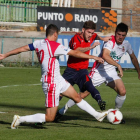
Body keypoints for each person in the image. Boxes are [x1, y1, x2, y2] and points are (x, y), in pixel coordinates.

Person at [0, 24, 111, 129]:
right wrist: (93, 57)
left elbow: (22, 49)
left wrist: (5, 54)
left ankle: (97, 115)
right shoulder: (55, 46)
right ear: (55, 34)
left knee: (76, 97)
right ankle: (19, 119)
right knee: (50, 117)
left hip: (58, 80)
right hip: (51, 83)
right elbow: (75, 53)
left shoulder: (38, 43)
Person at [56, 22, 140, 123]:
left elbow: (133, 58)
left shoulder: (126, 45)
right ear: (115, 33)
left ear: (125, 35)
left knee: (122, 91)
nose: (120, 37)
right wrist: (118, 65)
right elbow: (105, 55)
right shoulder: (109, 42)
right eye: (118, 34)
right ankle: (61, 112)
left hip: (111, 72)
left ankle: (116, 114)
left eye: (123, 35)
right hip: (98, 72)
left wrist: (139, 71)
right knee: (81, 95)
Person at [58, 20, 112, 111]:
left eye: (92, 32)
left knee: (89, 85)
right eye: (88, 32)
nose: (90, 35)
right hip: (70, 70)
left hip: (82, 71)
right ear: (83, 30)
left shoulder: (92, 36)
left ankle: (100, 101)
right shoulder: (75, 38)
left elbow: (96, 36)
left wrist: (103, 39)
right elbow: (77, 51)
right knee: (59, 92)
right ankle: (48, 114)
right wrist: (91, 48)